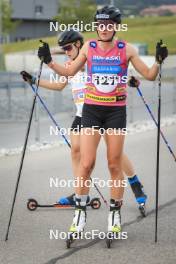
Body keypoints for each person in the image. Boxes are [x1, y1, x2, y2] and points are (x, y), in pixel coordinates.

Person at [36, 9, 167, 236]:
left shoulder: (127, 49)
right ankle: (79, 215)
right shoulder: (89, 48)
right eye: (100, 24)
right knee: (86, 164)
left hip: (115, 112)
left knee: (114, 165)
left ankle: (114, 215)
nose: (104, 28)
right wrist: (48, 62)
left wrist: (158, 61)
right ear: (96, 27)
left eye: (108, 24)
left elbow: (149, 75)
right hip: (92, 111)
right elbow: (68, 71)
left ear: (116, 26)